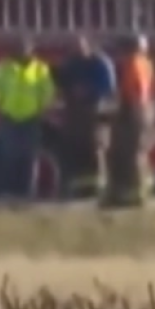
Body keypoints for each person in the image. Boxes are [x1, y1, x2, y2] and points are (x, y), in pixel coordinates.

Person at [0, 39, 56, 200]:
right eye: (19, 48)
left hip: (31, 117)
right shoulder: (4, 67)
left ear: (31, 50)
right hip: (9, 116)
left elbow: (48, 89)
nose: (23, 51)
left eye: (25, 48)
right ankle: (4, 190)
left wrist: (40, 106)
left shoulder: (40, 69)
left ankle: (27, 190)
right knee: (7, 154)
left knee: (29, 155)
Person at [58, 35, 117, 198]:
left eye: (81, 46)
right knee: (74, 149)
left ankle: (100, 187)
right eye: (75, 47)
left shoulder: (100, 63)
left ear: (89, 46)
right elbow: (63, 81)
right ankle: (78, 187)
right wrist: (70, 90)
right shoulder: (71, 63)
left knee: (96, 148)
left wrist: (88, 91)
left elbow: (108, 87)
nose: (78, 50)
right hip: (74, 112)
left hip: (95, 110)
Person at [103, 34, 155, 207]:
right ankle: (132, 192)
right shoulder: (145, 63)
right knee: (133, 153)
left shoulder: (133, 63)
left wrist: (128, 110)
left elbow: (136, 90)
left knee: (129, 154)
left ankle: (131, 194)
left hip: (134, 110)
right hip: (141, 109)